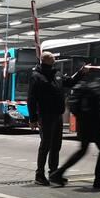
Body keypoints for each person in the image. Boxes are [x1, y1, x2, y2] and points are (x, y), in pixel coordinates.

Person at [50, 72, 100, 189]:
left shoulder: (92, 85)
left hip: (83, 123)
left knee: (82, 150)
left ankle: (58, 174)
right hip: (94, 125)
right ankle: (99, 179)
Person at [27, 51, 67, 186]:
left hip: (58, 115)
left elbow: (69, 82)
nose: (55, 59)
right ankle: (39, 175)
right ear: (46, 60)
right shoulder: (36, 76)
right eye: (52, 58)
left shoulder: (57, 74)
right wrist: (33, 118)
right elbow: (31, 99)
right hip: (45, 115)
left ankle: (54, 173)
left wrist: (81, 73)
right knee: (45, 145)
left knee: (56, 146)